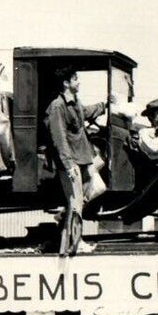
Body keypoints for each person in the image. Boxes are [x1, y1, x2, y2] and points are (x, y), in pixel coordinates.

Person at [44, 66, 108, 255]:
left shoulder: (75, 102)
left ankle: (64, 215)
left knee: (98, 187)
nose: (78, 82)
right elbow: (59, 138)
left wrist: (104, 105)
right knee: (76, 202)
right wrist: (68, 164)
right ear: (66, 83)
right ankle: (76, 242)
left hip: (84, 157)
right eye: (75, 79)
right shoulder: (58, 106)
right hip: (72, 162)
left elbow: (86, 112)